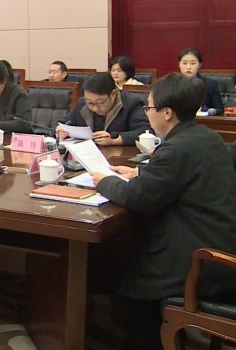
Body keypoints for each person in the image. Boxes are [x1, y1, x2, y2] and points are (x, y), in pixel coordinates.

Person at [91, 73, 236, 350]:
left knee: (131, 284)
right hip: (219, 240)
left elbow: (137, 197)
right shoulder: (206, 136)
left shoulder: (177, 147)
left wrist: (104, 181)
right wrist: (138, 173)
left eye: (149, 107)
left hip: (203, 261)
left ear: (167, 112)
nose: (147, 113)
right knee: (127, 259)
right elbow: (177, 177)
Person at [56, 73, 149, 146]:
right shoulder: (82, 103)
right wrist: (60, 131)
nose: (95, 108)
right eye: (90, 103)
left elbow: (145, 132)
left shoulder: (131, 104)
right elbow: (65, 123)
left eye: (100, 103)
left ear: (113, 94)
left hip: (118, 158)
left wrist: (115, 140)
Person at [178, 47, 224, 115]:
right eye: (184, 63)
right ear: (179, 64)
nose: (188, 67)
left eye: (193, 63)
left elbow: (219, 109)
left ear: (200, 65)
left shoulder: (210, 84)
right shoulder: (172, 83)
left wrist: (202, 109)